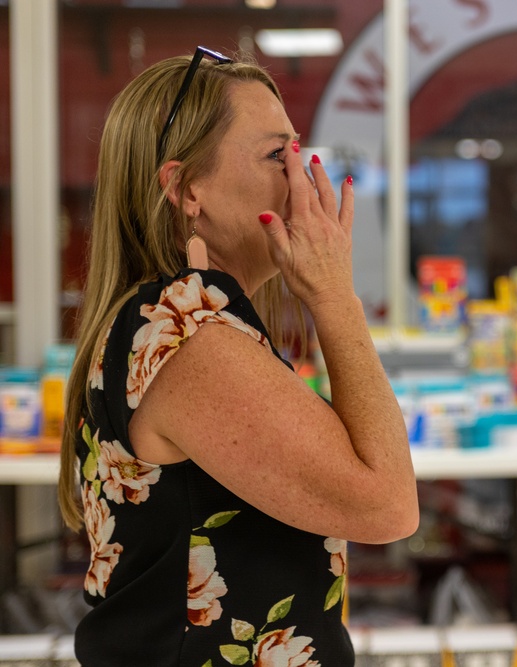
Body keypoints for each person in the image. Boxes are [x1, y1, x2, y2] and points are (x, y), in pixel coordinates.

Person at [57, 47, 419, 666]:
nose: (302, 179)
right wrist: (333, 295)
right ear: (186, 189)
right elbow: (386, 504)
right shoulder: (184, 332)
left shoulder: (179, 320)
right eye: (276, 155)